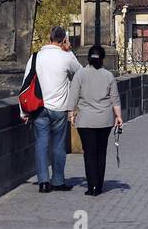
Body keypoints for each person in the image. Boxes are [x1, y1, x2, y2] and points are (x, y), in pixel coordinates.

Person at [22, 26, 82, 192]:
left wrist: (24, 111)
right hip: (59, 108)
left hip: (39, 108)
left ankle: (43, 182)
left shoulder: (36, 57)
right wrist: (69, 51)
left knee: (41, 144)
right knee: (58, 145)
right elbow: (80, 73)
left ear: (49, 38)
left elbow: (25, 83)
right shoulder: (66, 57)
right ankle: (58, 181)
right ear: (64, 40)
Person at [68, 44, 123, 196]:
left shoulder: (80, 74)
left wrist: (71, 114)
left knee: (89, 153)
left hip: (85, 120)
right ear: (103, 59)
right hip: (105, 120)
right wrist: (118, 117)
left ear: (88, 58)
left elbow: (73, 96)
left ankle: (91, 186)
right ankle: (99, 185)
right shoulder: (108, 76)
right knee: (101, 152)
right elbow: (115, 99)